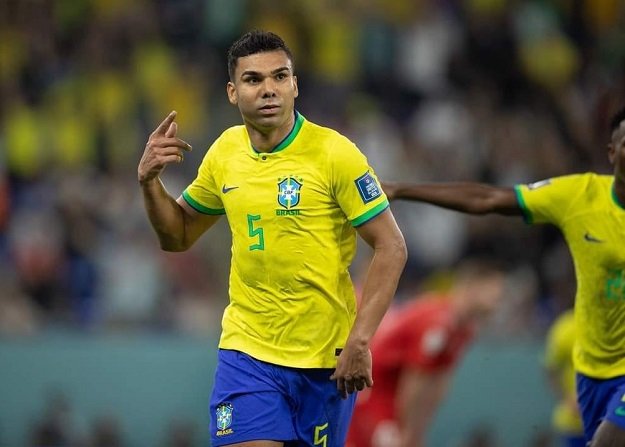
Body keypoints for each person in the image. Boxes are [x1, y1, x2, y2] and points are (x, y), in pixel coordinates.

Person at [137, 30, 407, 447]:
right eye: (253, 79)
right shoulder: (225, 152)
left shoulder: (335, 154)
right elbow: (179, 235)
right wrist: (150, 184)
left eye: (279, 77)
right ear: (232, 92)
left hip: (323, 361)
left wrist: (360, 338)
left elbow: (392, 246)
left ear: (294, 85)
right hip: (246, 354)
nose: (269, 89)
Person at [381, 105, 625, 446]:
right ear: (612, 151)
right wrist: (400, 190)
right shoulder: (579, 196)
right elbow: (489, 198)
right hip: (592, 371)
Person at [345, 259, 505, 447]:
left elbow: (439, 382)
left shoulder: (464, 329)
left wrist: (420, 430)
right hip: (375, 392)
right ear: (474, 287)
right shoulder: (436, 323)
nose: (497, 301)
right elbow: (414, 382)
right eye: (494, 292)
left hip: (395, 395)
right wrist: (408, 431)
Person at [544, 308, 585, 447]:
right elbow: (550, 368)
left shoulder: (616, 322)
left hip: (612, 419)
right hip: (574, 422)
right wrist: (565, 399)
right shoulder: (565, 327)